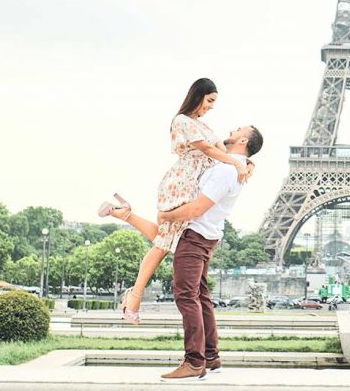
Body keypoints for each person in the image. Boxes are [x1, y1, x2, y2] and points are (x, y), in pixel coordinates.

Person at [105, 124, 263, 380]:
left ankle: (194, 361)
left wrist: (166, 214)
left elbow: (196, 209)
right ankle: (210, 357)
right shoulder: (234, 166)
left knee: (186, 297)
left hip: (195, 235)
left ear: (243, 140)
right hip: (206, 236)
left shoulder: (226, 170)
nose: (231, 129)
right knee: (200, 297)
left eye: (237, 129)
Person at [97, 78, 249, 323]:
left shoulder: (205, 126)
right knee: (165, 243)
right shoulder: (182, 121)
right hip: (181, 183)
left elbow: (224, 150)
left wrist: (247, 163)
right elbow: (211, 151)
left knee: (167, 239)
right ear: (198, 95)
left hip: (194, 183)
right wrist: (235, 163)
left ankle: (124, 214)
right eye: (209, 100)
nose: (211, 106)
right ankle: (134, 297)